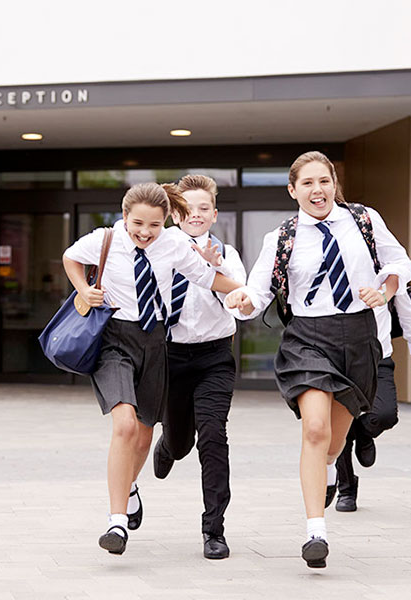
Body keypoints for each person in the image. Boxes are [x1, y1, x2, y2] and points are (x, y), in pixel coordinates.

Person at [224, 150, 411, 568]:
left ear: (333, 184)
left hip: (359, 335)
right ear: (293, 190)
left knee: (336, 439)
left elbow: (400, 261)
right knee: (314, 428)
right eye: (307, 183)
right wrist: (241, 300)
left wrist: (386, 287)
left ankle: (329, 468)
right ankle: (315, 531)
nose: (317, 190)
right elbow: (258, 291)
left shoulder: (363, 220)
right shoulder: (282, 238)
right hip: (308, 337)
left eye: (323, 181)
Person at [62, 182, 242, 556]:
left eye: (154, 226)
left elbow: (206, 278)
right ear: (125, 216)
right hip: (114, 340)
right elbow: (70, 257)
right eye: (137, 224)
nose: (145, 232)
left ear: (166, 222)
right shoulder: (104, 239)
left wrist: (241, 290)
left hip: (154, 342)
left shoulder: (174, 245)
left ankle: (129, 487)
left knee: (144, 434)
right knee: (125, 424)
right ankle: (115, 522)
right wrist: (83, 288)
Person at [151, 174, 247, 559]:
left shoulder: (228, 254)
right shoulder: (158, 250)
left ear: (214, 214)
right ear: (175, 214)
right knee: (182, 442)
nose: (196, 215)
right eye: (188, 209)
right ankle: (169, 445)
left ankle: (214, 529)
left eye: (204, 208)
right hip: (171, 358)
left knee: (212, 438)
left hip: (213, 358)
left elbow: (239, 302)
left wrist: (213, 274)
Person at [331, 288, 411, 512]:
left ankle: (362, 434)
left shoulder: (386, 268)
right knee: (337, 425)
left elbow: (405, 308)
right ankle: (346, 489)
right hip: (338, 357)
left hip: (379, 356)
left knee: (386, 415)